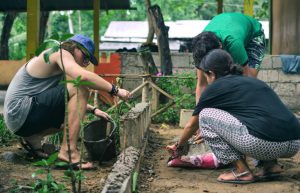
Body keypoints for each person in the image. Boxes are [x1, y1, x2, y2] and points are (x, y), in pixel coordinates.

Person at [167, 49, 300, 184]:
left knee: (205, 116)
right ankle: (270, 166)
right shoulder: (253, 82)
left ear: (211, 74)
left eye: (206, 75)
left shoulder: (214, 88)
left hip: (263, 144)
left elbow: (191, 125)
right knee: (257, 120)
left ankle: (242, 171)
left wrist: (179, 146)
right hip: (294, 142)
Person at [4, 34, 131, 169]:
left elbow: (60, 100)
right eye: (85, 57)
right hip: (20, 111)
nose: (84, 63)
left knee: (70, 118)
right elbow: (82, 77)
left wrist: (94, 110)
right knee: (80, 87)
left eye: (88, 61)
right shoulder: (59, 52)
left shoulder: (57, 65)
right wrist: (115, 90)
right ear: (75, 48)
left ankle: (33, 138)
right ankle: (68, 152)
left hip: (18, 118)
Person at [192, 12, 266, 104]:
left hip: (253, 34)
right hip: (230, 28)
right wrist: (199, 113)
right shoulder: (201, 48)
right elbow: (202, 84)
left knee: (249, 80)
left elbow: (245, 79)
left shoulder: (233, 43)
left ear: (220, 47)